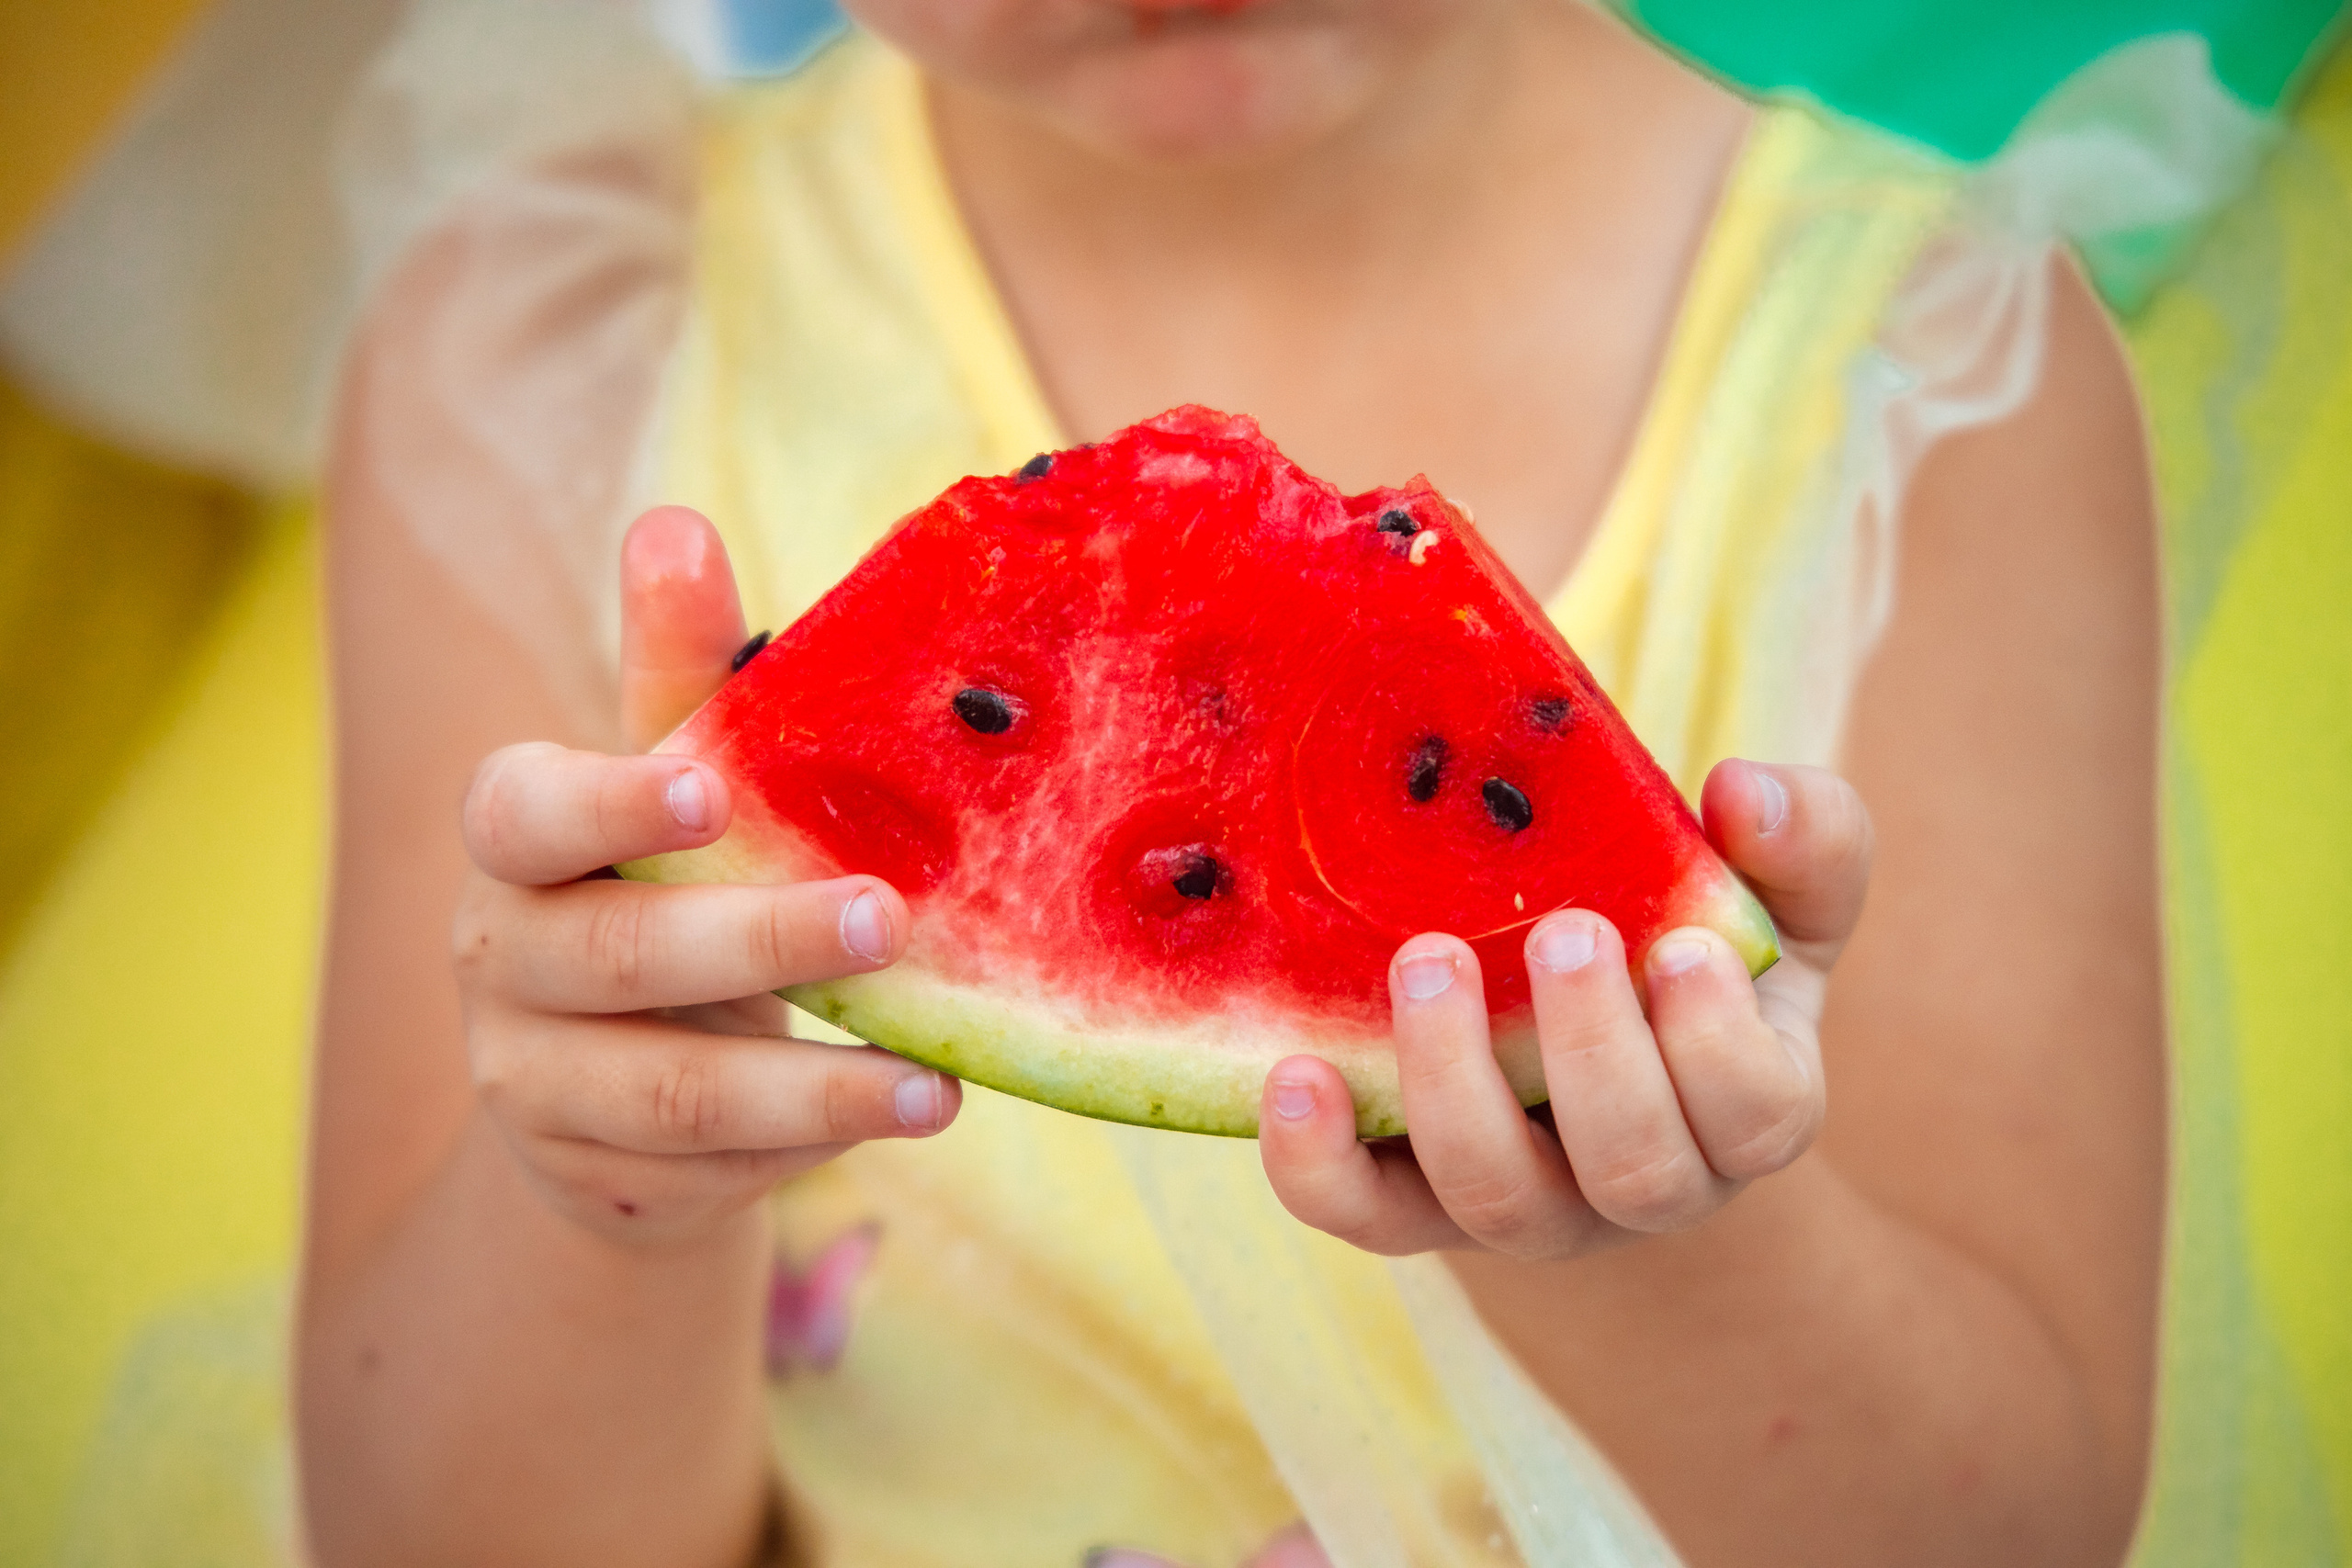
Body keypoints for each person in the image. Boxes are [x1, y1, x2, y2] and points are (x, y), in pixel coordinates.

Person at [297, 2, 2166, 1564]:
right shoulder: (546, 349)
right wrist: (596, 1190)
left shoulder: (1933, 379)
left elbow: (2009, 1524)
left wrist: (1654, 1225)